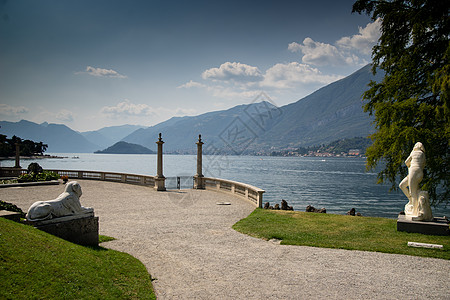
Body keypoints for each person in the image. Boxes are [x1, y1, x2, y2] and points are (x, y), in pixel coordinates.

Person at [399, 142, 426, 216]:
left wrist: (409, 166)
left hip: (413, 172)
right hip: (419, 173)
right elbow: (423, 164)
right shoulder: (422, 154)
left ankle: (415, 212)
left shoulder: (414, 152)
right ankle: (410, 200)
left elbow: (406, 162)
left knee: (413, 192)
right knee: (402, 185)